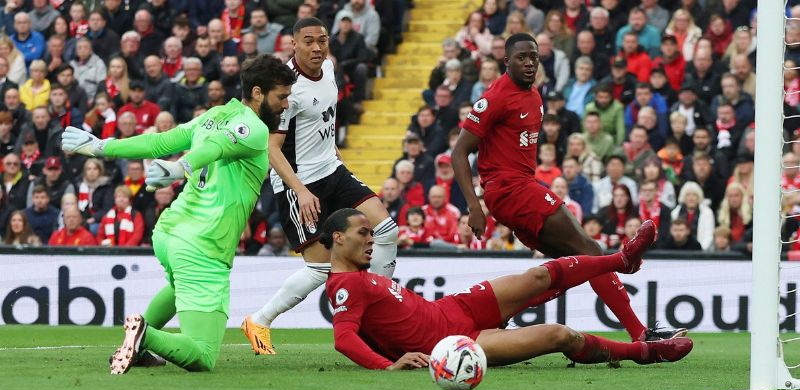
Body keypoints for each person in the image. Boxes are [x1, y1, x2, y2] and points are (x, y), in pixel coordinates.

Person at [62, 53, 296, 374]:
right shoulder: (253, 127)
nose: (286, 105)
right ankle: (144, 334)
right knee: (202, 355)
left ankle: (136, 346)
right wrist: (179, 167)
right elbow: (214, 149)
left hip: (169, 232)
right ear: (258, 93)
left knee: (178, 288)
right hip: (203, 244)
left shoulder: (214, 114)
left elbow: (160, 141)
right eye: (281, 96)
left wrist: (103, 146)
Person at [453, 33, 684, 344]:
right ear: (506, 61)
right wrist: (474, 206)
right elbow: (459, 152)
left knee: (573, 268)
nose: (529, 62)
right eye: (521, 57)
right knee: (590, 251)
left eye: (534, 56)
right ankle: (639, 328)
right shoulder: (494, 98)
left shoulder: (534, 97)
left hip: (520, 188)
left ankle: (493, 318)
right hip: (511, 190)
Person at [324, 208, 692, 370]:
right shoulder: (343, 284)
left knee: (536, 278)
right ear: (338, 239)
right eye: (363, 234)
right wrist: (388, 367)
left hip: (455, 308)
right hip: (459, 344)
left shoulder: (359, 275)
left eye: (372, 234)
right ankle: (645, 352)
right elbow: (344, 339)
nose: (372, 241)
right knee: (559, 334)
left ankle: (621, 261)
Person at [242, 19, 400, 356]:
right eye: (309, 41)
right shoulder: (286, 87)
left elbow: (326, 119)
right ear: (294, 45)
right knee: (322, 267)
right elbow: (272, 149)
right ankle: (259, 319)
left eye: (322, 40)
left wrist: (337, 157)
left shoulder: (329, 68)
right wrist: (300, 190)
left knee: (386, 230)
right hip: (298, 183)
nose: (317, 48)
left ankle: (384, 312)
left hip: (332, 170)